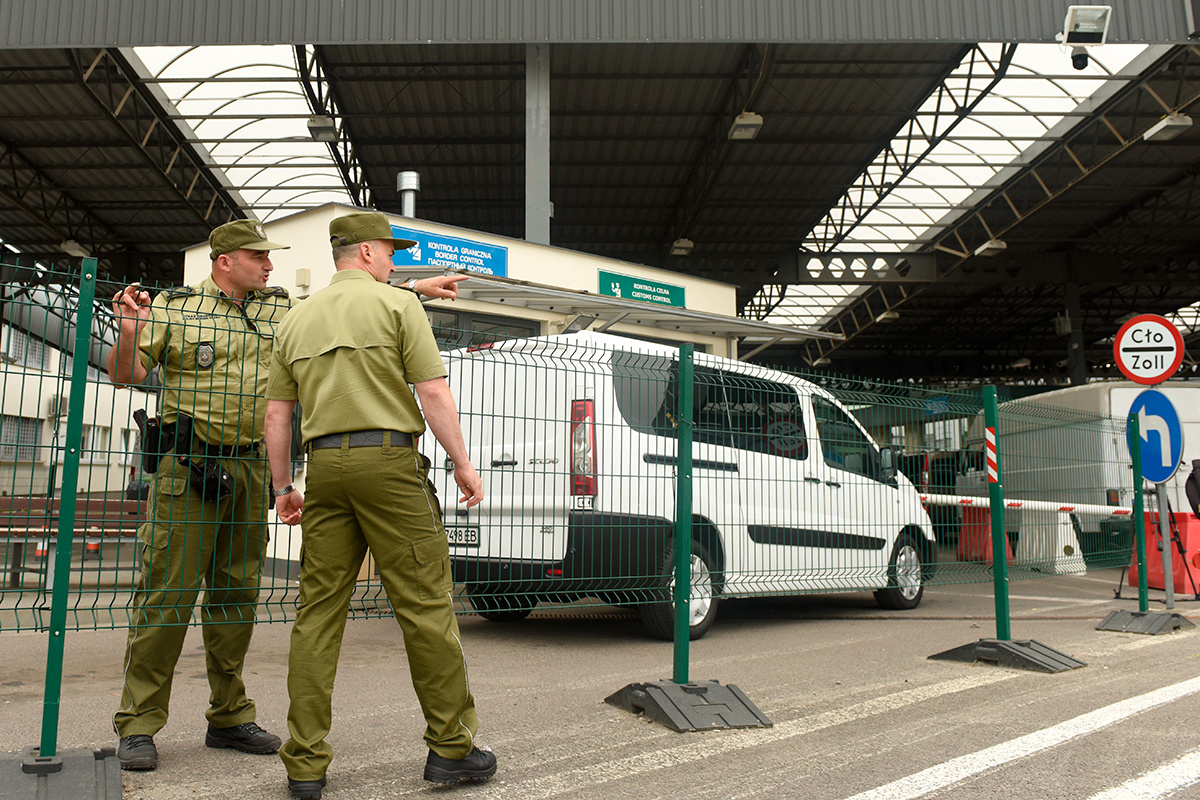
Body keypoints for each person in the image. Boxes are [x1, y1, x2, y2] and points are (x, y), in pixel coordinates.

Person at [107, 217, 465, 772]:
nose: (270, 264)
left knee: (237, 596)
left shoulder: (280, 311)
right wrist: (130, 330)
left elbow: (345, 305)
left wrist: (413, 289)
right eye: (258, 256)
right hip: (188, 468)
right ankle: (138, 721)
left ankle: (227, 714)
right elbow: (127, 374)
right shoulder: (175, 309)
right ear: (225, 260)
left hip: (250, 469)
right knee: (168, 596)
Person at [264, 210, 495, 800]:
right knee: (424, 606)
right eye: (390, 250)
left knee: (317, 615)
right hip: (389, 465)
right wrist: (463, 464)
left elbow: (276, 415)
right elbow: (433, 390)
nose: (395, 259)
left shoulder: (295, 320)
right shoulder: (399, 308)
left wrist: (283, 485)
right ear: (366, 252)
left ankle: (305, 764)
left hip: (324, 471)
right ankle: (452, 749)